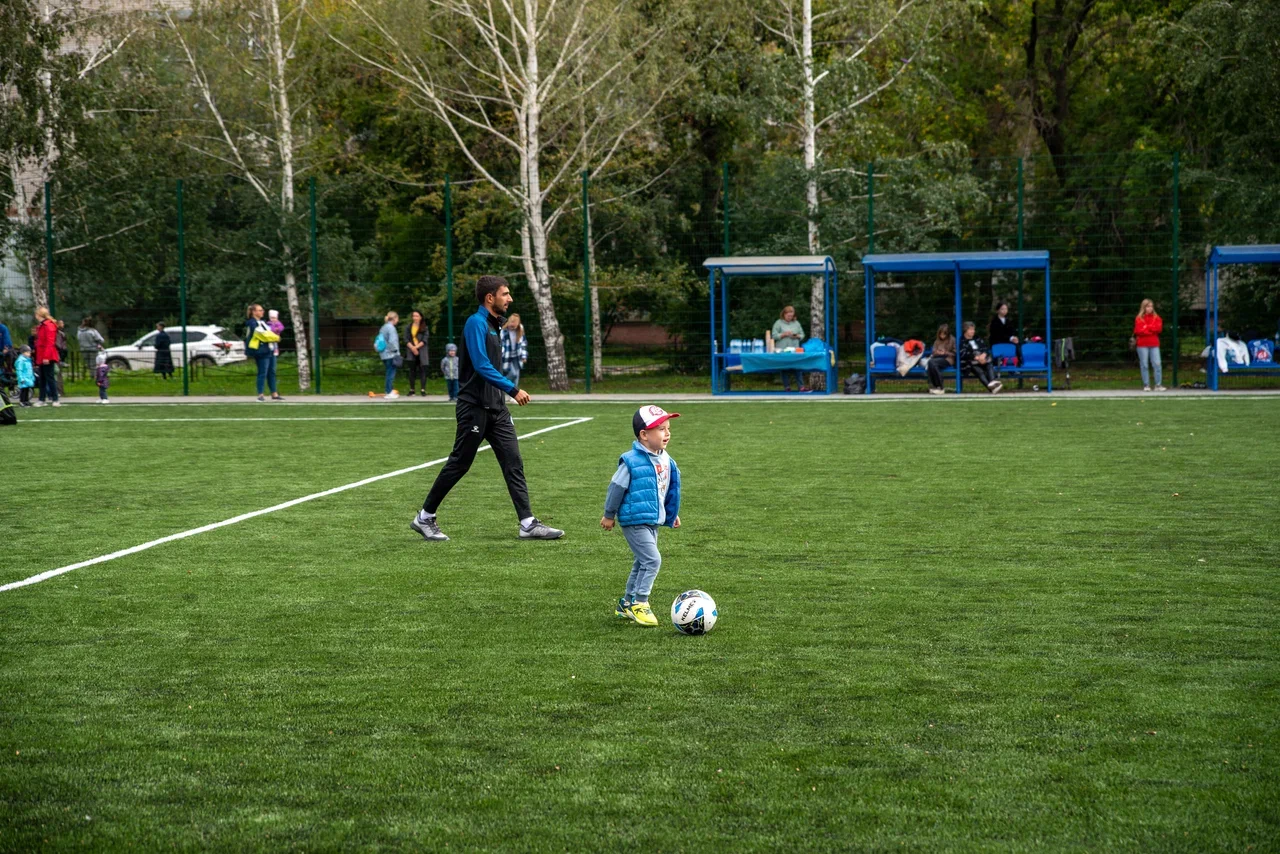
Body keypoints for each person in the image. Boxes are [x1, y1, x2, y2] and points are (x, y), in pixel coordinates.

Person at [410, 275, 564, 542]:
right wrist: (513, 389)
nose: (510, 299)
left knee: (513, 462)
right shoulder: (475, 323)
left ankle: (527, 523)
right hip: (474, 407)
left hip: (497, 409)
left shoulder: (495, 325)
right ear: (490, 298)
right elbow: (481, 365)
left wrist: (503, 396)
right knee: (460, 463)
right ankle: (425, 517)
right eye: (505, 294)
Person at [601, 405, 683, 627]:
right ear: (644, 435)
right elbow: (616, 487)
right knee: (652, 560)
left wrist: (671, 513)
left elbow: (666, 489)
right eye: (661, 429)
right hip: (634, 519)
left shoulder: (666, 459)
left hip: (652, 519)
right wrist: (609, 515)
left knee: (641, 562)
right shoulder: (631, 461)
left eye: (668, 428)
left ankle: (626, 604)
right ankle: (640, 603)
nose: (667, 433)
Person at [245, 304, 283, 401]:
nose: (262, 312)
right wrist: (276, 338)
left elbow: (269, 333)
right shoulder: (252, 323)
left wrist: (273, 336)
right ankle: (260, 394)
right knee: (263, 372)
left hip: (270, 349)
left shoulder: (263, 322)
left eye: (262, 310)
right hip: (261, 351)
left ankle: (274, 393)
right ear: (254, 312)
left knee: (272, 372)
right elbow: (263, 335)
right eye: (260, 310)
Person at [957, 321, 1002, 393]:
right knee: (979, 371)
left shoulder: (977, 338)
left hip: (983, 358)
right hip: (970, 362)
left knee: (989, 364)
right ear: (965, 330)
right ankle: (992, 388)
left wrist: (983, 355)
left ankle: (993, 383)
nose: (973, 331)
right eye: (971, 330)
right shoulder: (962, 341)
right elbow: (963, 354)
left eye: (973, 329)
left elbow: (985, 348)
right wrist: (977, 358)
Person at [772, 305, 806, 392]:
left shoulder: (796, 323)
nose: (790, 317)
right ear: (784, 314)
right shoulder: (778, 323)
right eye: (788, 316)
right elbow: (774, 336)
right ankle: (787, 386)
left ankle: (801, 386)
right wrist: (784, 334)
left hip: (795, 349)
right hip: (782, 349)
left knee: (797, 367)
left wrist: (797, 336)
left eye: (791, 316)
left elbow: (802, 335)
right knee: (784, 368)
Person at [1134, 298, 1166, 391]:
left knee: (1157, 364)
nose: (1150, 308)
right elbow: (1138, 331)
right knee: (1144, 364)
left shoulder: (1157, 317)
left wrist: (1146, 328)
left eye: (1151, 306)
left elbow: (1158, 329)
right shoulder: (1139, 318)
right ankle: (1146, 385)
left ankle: (1158, 385)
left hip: (1154, 343)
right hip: (1142, 344)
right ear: (1144, 307)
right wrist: (1151, 329)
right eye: (1148, 306)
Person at [34, 307, 60, 407]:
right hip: (42, 355)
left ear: (39, 315)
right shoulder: (42, 326)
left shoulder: (48, 325)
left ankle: (55, 399)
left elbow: (50, 342)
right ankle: (42, 399)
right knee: (43, 378)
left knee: (49, 378)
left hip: (47, 355)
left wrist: (46, 357)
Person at [404, 309, 430, 396]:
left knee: (423, 370)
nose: (415, 318)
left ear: (420, 317)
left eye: (417, 316)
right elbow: (406, 339)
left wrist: (416, 347)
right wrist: (412, 348)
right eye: (413, 316)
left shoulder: (425, 328)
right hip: (411, 351)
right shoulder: (408, 327)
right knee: (412, 370)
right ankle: (412, 389)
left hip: (421, 351)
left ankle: (423, 389)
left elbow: (425, 340)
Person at [926, 324, 956, 395]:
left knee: (932, 363)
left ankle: (940, 387)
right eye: (941, 334)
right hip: (937, 358)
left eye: (944, 334)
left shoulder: (952, 339)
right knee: (931, 362)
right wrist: (937, 352)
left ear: (947, 334)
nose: (942, 336)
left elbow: (955, 353)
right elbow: (933, 351)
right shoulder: (937, 340)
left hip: (948, 359)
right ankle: (935, 386)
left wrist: (945, 352)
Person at [378, 310, 401, 400]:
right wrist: (396, 352)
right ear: (394, 318)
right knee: (391, 374)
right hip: (390, 354)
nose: (398, 320)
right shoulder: (391, 328)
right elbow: (392, 341)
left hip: (383, 354)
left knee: (389, 372)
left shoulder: (383, 327)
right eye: (397, 318)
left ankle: (389, 390)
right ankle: (388, 392)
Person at [500, 313, 527, 388]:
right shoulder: (503, 331)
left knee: (516, 376)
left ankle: (514, 392)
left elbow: (523, 343)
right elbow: (501, 344)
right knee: (513, 374)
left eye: (514, 325)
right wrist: (500, 354)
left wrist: (524, 356)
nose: (512, 327)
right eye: (511, 324)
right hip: (506, 356)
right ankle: (500, 384)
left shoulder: (520, 329)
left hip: (517, 356)